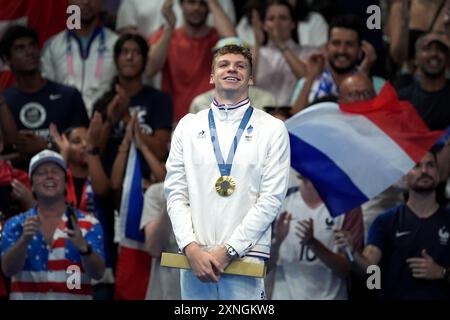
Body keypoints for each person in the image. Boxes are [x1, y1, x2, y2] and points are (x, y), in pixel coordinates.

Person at [164, 44, 290, 300]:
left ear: (251, 78)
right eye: (223, 64)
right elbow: (175, 194)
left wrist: (229, 250)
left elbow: (271, 199)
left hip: (246, 258)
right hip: (194, 260)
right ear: (212, 77)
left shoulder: (273, 129)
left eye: (240, 65)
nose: (231, 68)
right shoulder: (188, 126)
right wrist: (190, 247)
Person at [335, 151, 450, 299]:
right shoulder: (385, 222)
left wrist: (441, 272)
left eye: (430, 165)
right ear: (404, 177)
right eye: (416, 166)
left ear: (438, 174)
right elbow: (371, 272)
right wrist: (354, 253)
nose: (424, 171)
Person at [0, 149, 105, 300]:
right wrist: (23, 241)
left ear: (65, 182)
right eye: (41, 172)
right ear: (32, 185)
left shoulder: (89, 224)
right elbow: (8, 270)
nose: (49, 176)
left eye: (55, 171)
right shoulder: (15, 225)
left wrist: (83, 247)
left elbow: (98, 273)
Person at [0, 25, 90, 169]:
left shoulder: (69, 96)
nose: (29, 52)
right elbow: (5, 153)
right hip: (17, 184)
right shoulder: (4, 102)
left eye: (32, 46)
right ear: (7, 59)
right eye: (20, 48)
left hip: (66, 182)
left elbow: (87, 148)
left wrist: (45, 146)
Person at [270, 176, 364, 300]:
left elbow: (346, 270)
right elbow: (263, 267)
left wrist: (313, 243)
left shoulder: (348, 206)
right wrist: (277, 242)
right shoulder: (279, 201)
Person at [146, 0, 237, 123]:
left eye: (202, 3)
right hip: (175, 122)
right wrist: (169, 27)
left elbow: (233, 41)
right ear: (181, 4)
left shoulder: (218, 40)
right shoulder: (167, 36)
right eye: (191, 2)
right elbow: (149, 69)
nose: (196, 8)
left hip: (214, 120)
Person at [290, 14, 383, 114]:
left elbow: (378, 122)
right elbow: (295, 120)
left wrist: (364, 74)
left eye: (349, 44)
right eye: (336, 43)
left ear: (360, 51)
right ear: (326, 47)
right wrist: (311, 77)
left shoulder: (378, 85)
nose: (341, 50)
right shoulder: (307, 82)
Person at [41, 0, 118, 116]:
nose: (86, 2)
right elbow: (46, 90)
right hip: (65, 124)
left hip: (106, 123)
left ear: (102, 2)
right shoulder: (53, 45)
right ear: (68, 2)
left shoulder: (116, 43)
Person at [397, 32, 450, 131]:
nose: (434, 54)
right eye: (427, 48)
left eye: (441, 49)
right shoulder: (403, 99)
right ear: (416, 58)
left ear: (447, 58)